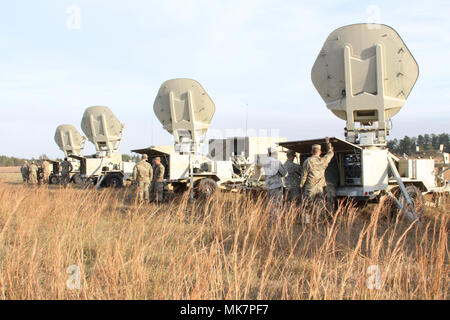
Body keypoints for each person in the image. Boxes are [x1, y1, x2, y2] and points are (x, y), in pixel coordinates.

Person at [300, 137, 334, 201]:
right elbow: (330, 153)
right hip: (320, 187)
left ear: (311, 152)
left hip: (310, 187)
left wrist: (301, 186)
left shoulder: (308, 161)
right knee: (320, 206)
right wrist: (328, 143)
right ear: (320, 152)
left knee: (308, 206)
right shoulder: (323, 160)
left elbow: (304, 175)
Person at [264, 146, 287, 218]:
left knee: (270, 203)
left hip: (269, 186)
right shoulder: (277, 162)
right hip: (276, 186)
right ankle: (276, 219)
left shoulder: (266, 162)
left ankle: (271, 218)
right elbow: (284, 173)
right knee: (277, 203)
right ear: (274, 153)